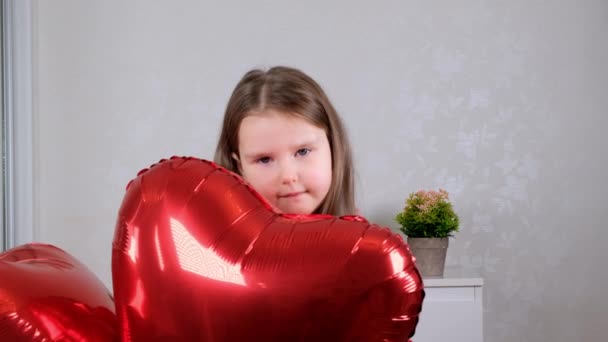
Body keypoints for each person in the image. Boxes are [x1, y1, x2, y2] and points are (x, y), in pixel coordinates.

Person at [214, 66, 356, 216]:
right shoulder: (205, 239)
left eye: (303, 151)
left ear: (332, 148)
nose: (288, 176)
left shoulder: (366, 237)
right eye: (264, 159)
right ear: (239, 167)